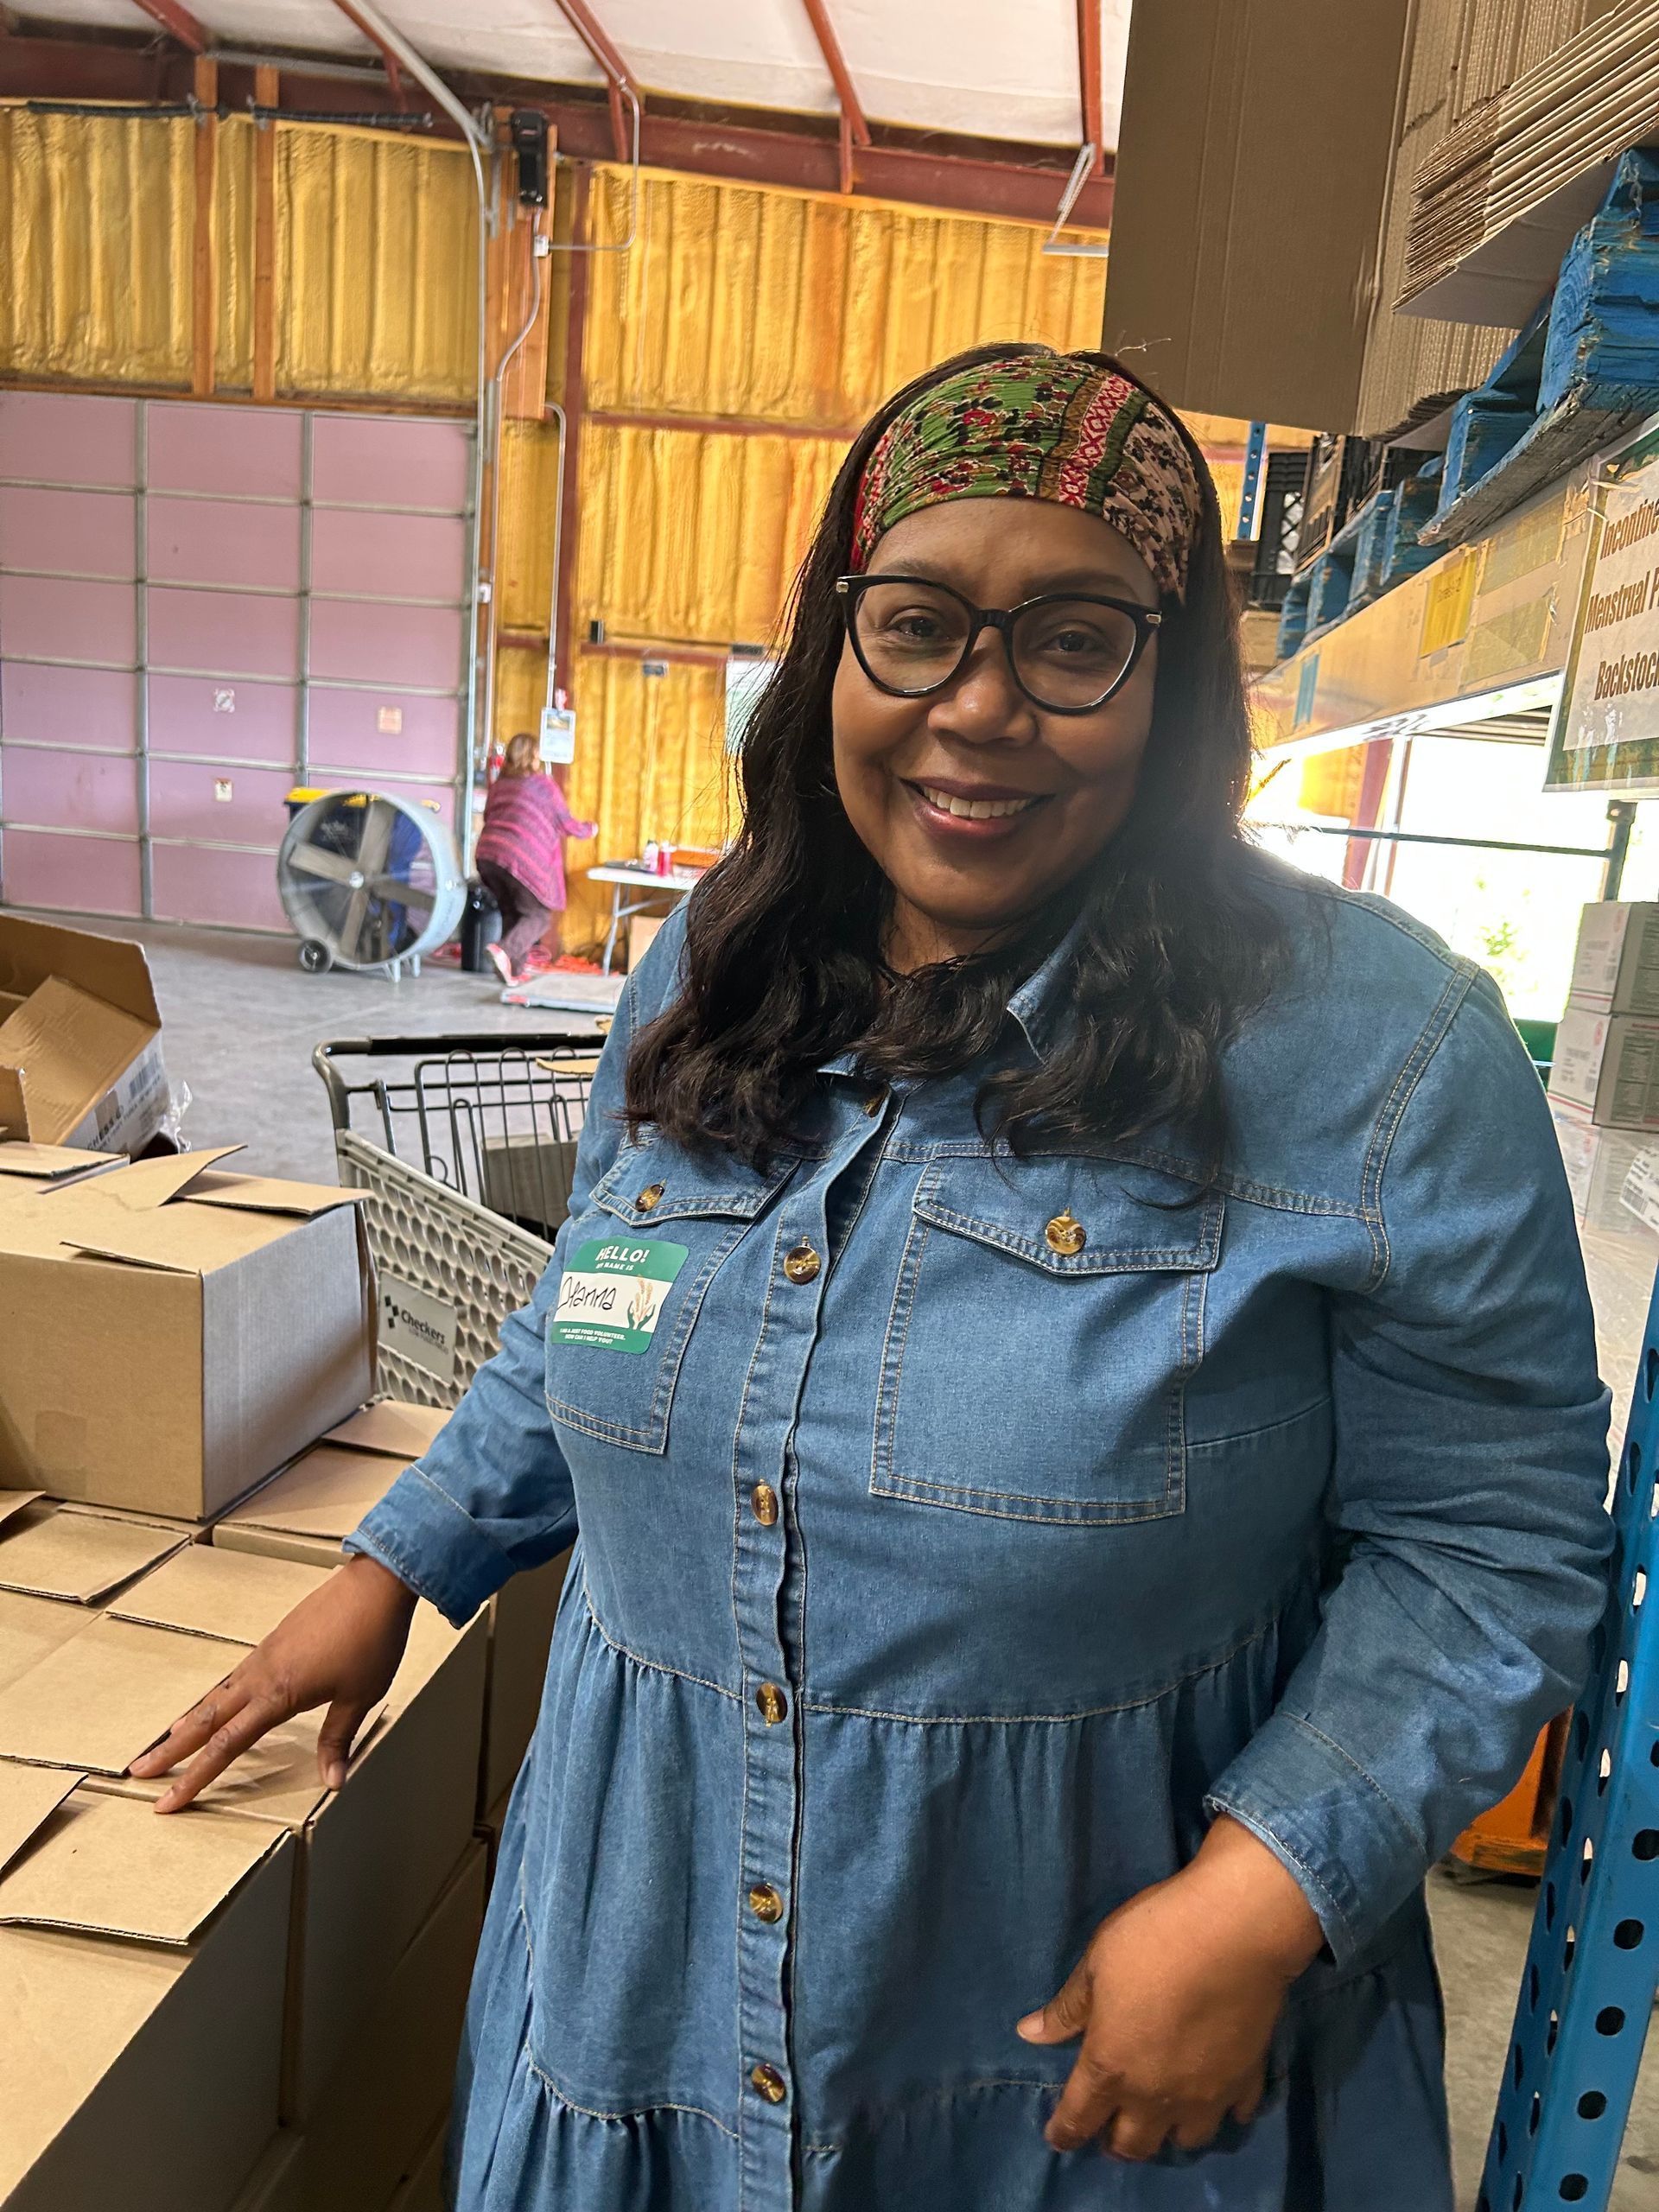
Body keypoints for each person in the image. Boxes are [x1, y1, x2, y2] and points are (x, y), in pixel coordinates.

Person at [136, 346, 1611, 2211]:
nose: (977, 709)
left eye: (1074, 639)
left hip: (1078, 2037)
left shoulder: (1371, 1049)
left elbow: (1491, 1536)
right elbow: (597, 1295)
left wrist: (1266, 1892)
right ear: (834, 641)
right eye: (916, 624)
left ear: (1170, 682)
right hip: (639, 1975)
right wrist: (393, 1561)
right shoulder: (707, 972)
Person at [474, 729, 596, 985]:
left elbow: (488, 817)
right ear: (532, 756)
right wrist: (590, 829)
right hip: (519, 859)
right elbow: (565, 822)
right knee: (539, 916)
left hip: (488, 855)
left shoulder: (499, 785)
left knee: (513, 912)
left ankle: (513, 972)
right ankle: (504, 951)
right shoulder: (542, 784)